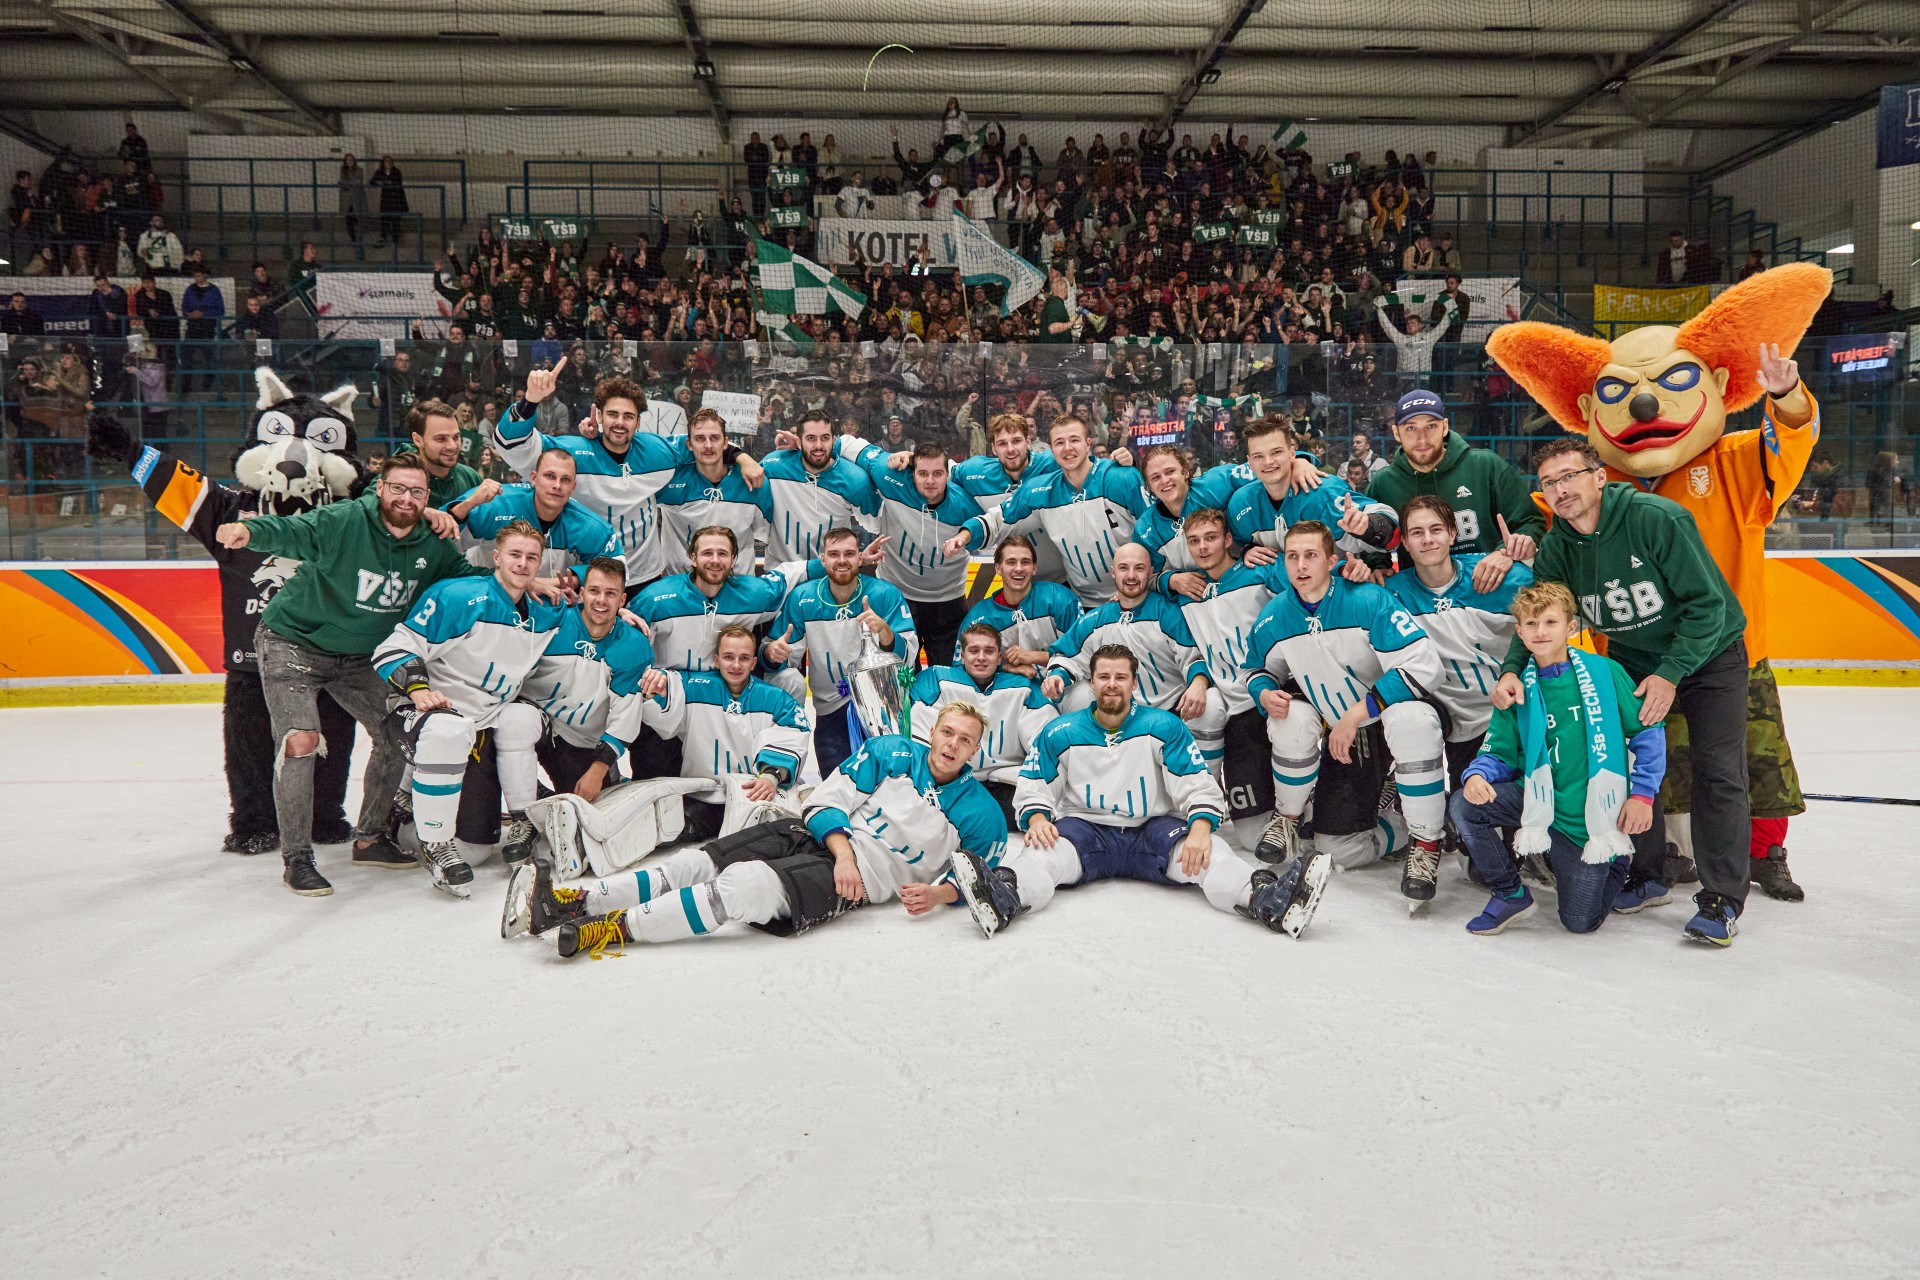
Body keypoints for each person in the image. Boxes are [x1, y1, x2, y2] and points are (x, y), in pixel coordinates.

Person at [1495, 437, 1750, 945]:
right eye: (1549, 482)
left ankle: (1721, 898)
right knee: (1624, 762)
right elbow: (1536, 615)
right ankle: (1647, 875)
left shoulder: (1657, 519)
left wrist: (1671, 673)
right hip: (1635, 659)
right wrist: (1511, 670)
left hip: (1710, 656)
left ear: (1599, 476)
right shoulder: (1558, 548)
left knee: (1718, 772)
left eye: (1569, 476)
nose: (1560, 489)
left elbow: (1708, 607)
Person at [530, 704, 1007, 957]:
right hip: (821, 839)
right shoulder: (893, 751)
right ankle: (577, 901)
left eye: (965, 740)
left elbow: (976, 876)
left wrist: (938, 895)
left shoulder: (982, 814)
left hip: (858, 881)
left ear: (976, 751)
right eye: (948, 732)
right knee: (696, 862)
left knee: (743, 887)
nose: (952, 744)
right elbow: (825, 800)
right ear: (933, 731)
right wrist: (843, 853)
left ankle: (609, 930)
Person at [215, 453, 488, 896]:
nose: (406, 498)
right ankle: (297, 858)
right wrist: (250, 532)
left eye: (416, 491)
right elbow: (295, 530)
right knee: (300, 740)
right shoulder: (345, 520)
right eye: (397, 488)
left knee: (397, 731)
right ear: (380, 488)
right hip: (293, 642)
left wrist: (521, 583)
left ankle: (370, 837)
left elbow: (467, 578)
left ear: (427, 498)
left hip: (359, 656)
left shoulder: (433, 544)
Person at [948, 645, 1331, 941]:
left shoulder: (1164, 726)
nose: (1112, 684)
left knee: (1211, 853)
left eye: (1120, 677)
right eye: (1104, 676)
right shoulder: (1060, 732)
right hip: (1086, 831)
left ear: (1134, 683)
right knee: (1040, 853)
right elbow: (1035, 782)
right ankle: (1005, 897)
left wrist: (1201, 828)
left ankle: (1267, 900)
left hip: (1154, 829)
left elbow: (1196, 782)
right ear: (1092, 683)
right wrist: (1036, 817)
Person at [1242, 520, 1450, 911]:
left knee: (1413, 721)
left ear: (1331, 561)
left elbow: (1425, 666)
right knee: (1337, 847)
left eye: (1311, 555)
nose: (1301, 565)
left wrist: (1357, 714)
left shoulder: (1367, 599)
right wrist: (1265, 693)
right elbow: (1257, 670)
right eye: (1292, 556)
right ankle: (1291, 818)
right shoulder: (1275, 616)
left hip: (1382, 719)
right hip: (1343, 733)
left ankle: (1426, 839)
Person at [1454, 581, 1666, 936]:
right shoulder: (1515, 688)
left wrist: (1643, 795)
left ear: (1570, 627)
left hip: (1585, 817)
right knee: (1465, 804)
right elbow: (1499, 752)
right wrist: (1477, 775)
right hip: (1536, 800)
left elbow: (1648, 732)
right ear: (1519, 632)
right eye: (1532, 624)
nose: (1541, 631)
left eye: (1550, 622)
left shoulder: (1605, 672)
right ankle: (1509, 893)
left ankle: (1615, 860)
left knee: (1579, 922)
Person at [373, 520, 566, 895]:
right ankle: (429, 837)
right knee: (450, 730)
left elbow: (590, 624)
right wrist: (418, 689)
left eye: (531, 557)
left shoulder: (543, 613)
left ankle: (523, 816)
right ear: (496, 557)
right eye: (515, 554)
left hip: (481, 726)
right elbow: (392, 648)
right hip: (423, 716)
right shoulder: (458, 596)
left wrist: (619, 616)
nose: (523, 564)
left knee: (522, 719)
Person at [493, 360, 764, 591]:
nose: (620, 422)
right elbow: (512, 445)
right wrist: (530, 401)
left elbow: (705, 442)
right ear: (599, 416)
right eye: (612, 414)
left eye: (628, 416)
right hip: (591, 575)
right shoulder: (573, 453)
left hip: (646, 577)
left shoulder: (657, 452)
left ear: (638, 421)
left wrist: (743, 458)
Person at [1382, 495, 1531, 787]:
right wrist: (1354, 570)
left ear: (1452, 534)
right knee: (1469, 806)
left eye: (1436, 529)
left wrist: (1527, 554)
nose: (1427, 539)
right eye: (1417, 532)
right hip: (1461, 729)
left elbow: (1558, 611)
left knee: (1535, 803)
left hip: (1515, 713)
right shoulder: (1391, 593)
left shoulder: (1500, 575)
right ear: (1405, 543)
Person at [1042, 542, 1225, 767]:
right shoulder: (1096, 619)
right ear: (1113, 572)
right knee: (1078, 693)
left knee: (1212, 702)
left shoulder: (1168, 612)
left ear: (1150, 572)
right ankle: (1098, 769)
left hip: (1175, 708)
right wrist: (1057, 676)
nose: (1131, 576)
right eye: (1124, 568)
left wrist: (1198, 683)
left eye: (1139, 568)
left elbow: (1196, 655)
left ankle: (1204, 780)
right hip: (1124, 715)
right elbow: (1065, 655)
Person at [1170, 508, 1289, 848]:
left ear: (1227, 540)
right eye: (1194, 541)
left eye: (1210, 538)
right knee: (1252, 837)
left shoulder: (1259, 571)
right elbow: (1141, 584)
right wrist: (1167, 580)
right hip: (1238, 710)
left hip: (1279, 692)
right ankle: (1205, 801)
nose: (1203, 547)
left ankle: (1304, 809)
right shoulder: (1188, 590)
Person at [633, 624, 812, 842]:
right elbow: (669, 686)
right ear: (716, 660)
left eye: (744, 658)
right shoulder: (694, 687)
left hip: (751, 797)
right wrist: (655, 684)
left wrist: (770, 776)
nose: (736, 665)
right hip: (702, 797)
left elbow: (793, 730)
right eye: (728, 657)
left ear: (754, 662)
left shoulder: (776, 699)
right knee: (665, 833)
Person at [947, 412, 1148, 606]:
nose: (1067, 448)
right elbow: (998, 518)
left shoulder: (1120, 477)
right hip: (1075, 599)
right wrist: (964, 535)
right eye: (1059, 443)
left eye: (1074, 440)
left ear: (1088, 443)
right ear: (1051, 449)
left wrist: (1127, 462)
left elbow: (1154, 528)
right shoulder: (1037, 489)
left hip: (1132, 594)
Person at [764, 527, 918, 778]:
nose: (842, 560)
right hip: (829, 712)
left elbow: (909, 658)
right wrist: (772, 653)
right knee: (834, 786)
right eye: (834, 554)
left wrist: (886, 632)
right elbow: (777, 656)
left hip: (881, 707)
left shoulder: (884, 594)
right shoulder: (803, 598)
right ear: (823, 560)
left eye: (849, 553)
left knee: (889, 785)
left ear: (860, 558)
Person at [521, 556, 665, 800]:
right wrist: (529, 582)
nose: (601, 600)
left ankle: (609, 777)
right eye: (594, 591)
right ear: (582, 593)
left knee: (589, 805)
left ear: (622, 600)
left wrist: (597, 771)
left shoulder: (633, 646)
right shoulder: (552, 620)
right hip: (535, 715)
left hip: (579, 740)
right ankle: (524, 803)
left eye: (610, 594)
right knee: (510, 726)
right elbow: (501, 592)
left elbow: (625, 717)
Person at [838, 439, 990, 666]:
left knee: (949, 677)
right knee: (901, 674)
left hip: (948, 602)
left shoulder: (968, 506)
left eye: (937, 473)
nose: (930, 481)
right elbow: (846, 444)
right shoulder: (890, 475)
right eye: (923, 473)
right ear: (912, 473)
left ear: (948, 474)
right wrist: (800, 444)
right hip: (896, 596)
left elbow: (998, 525)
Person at [1366, 388, 1543, 566]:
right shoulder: (1383, 484)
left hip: (1489, 580)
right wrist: (1378, 566)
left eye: (1431, 426)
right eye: (1411, 428)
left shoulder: (1486, 465)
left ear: (1445, 426)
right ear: (1396, 433)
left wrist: (1506, 550)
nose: (1422, 439)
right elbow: (1369, 545)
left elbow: (1530, 523)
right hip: (1419, 584)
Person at [908, 622, 1053, 824]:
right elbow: (922, 743)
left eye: (989, 651)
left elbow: (1044, 744)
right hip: (952, 782)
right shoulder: (937, 680)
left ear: (1000, 657)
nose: (981, 657)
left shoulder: (1024, 687)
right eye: (974, 650)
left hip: (1007, 782)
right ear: (962, 655)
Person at [1227, 415, 1398, 575]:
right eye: (1258, 456)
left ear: (1292, 453)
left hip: (1334, 589)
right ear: (1249, 462)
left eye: (1276, 452)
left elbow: (1392, 533)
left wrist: (1368, 527)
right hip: (1278, 593)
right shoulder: (1241, 503)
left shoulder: (1322, 491)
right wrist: (1246, 550)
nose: (1268, 462)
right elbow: (1234, 547)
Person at [454, 446, 623, 583]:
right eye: (550, 476)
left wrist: (563, 582)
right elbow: (444, 541)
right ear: (533, 478)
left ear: (573, 486)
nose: (557, 485)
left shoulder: (589, 526)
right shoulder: (493, 504)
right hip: (484, 596)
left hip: (546, 607)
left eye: (565, 479)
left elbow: (616, 570)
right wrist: (467, 505)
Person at [654, 407, 774, 575]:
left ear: (725, 443)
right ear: (688, 444)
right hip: (682, 583)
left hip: (738, 583)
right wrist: (742, 456)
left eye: (715, 438)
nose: (708, 445)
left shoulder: (753, 481)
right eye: (699, 438)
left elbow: (771, 537)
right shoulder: (670, 480)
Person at [758, 410, 880, 565]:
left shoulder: (855, 479)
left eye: (825, 438)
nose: (818, 446)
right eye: (811, 438)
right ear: (799, 442)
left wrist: (857, 559)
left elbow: (879, 523)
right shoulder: (773, 466)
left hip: (832, 574)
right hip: (780, 574)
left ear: (834, 441)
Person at [960, 534, 1083, 677]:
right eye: (1011, 562)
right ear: (998, 568)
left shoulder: (1060, 598)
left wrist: (1035, 656)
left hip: (1061, 683)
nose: (1018, 568)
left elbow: (1083, 654)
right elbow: (960, 666)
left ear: (1034, 568)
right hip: (1008, 687)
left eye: (1025, 562)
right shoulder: (978, 616)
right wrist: (1003, 666)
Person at [1132, 445, 1250, 582]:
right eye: (1155, 477)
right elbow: (1145, 577)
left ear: (1186, 471)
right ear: (1149, 486)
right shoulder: (1145, 528)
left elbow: (1262, 473)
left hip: (1242, 576)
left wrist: (1251, 545)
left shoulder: (1216, 484)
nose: (1164, 481)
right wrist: (1170, 581)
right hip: (1195, 593)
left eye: (1170, 471)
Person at [370, 155, 407, 245]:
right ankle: (383, 236)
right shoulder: (380, 172)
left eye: (390, 161)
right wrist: (381, 182)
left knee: (395, 218)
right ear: (383, 163)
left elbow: (396, 182)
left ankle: (395, 237)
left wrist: (385, 182)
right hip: (386, 198)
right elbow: (372, 182)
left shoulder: (396, 171)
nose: (388, 163)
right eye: (386, 161)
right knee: (384, 217)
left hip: (396, 198)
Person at [337, 155, 367, 253]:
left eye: (351, 160)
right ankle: (353, 239)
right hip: (347, 200)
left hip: (357, 199)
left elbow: (358, 183)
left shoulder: (359, 170)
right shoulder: (343, 171)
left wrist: (347, 184)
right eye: (347, 160)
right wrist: (350, 184)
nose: (349, 161)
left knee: (357, 218)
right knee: (348, 219)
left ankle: (359, 239)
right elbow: (342, 182)